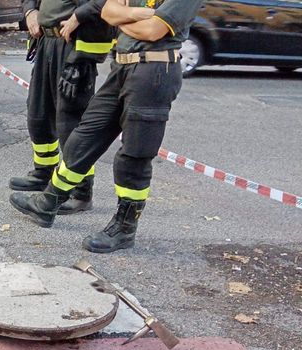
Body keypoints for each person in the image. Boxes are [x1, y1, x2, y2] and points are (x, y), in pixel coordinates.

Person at [10, 0, 202, 253]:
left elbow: (153, 30)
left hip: (154, 72)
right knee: (85, 135)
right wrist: (133, 15)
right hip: (121, 67)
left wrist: (123, 18)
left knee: (134, 155)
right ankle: (49, 201)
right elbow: (108, 12)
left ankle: (124, 227)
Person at [10, 0, 118, 215]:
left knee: (71, 124)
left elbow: (101, 9)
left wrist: (82, 60)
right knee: (38, 115)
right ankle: (44, 173)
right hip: (46, 43)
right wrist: (30, 11)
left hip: (73, 48)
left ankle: (81, 192)